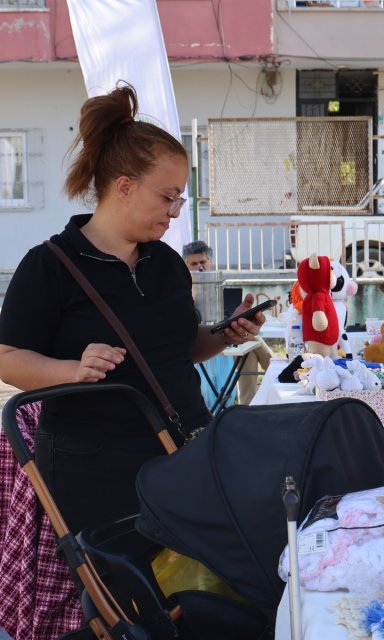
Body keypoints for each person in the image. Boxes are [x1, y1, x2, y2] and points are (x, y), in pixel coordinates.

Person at [0, 84, 267, 535]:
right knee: (125, 576)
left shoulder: (165, 262)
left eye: (180, 199)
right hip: (96, 474)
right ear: (124, 187)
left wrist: (224, 333)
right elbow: (8, 359)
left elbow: (180, 348)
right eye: (167, 197)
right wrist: (73, 370)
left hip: (183, 455)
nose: (175, 212)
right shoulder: (49, 265)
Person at [181, 241, 275, 405]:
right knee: (251, 343)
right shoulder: (180, 291)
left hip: (228, 338)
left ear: (210, 262)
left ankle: (248, 403)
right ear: (186, 266)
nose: (199, 267)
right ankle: (278, 371)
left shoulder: (217, 286)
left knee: (248, 345)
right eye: (194, 264)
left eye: (203, 262)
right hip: (205, 344)